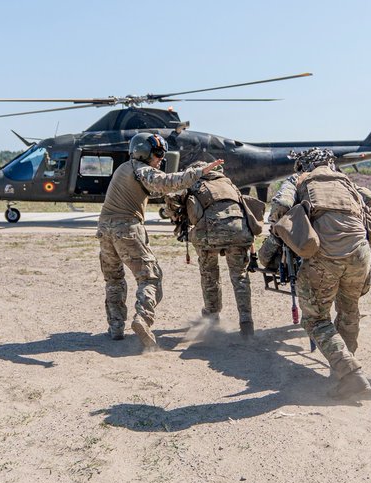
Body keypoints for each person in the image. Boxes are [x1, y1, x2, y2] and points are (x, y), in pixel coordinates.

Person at [270, 147, 371, 399]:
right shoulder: (346, 180)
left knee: (316, 319)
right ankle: (341, 370)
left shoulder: (299, 179)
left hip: (326, 256)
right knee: (349, 310)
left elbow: (281, 205)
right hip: (361, 254)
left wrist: (278, 227)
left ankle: (350, 374)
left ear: (303, 164)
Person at [97, 132, 222, 349]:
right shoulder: (142, 169)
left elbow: (153, 190)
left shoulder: (124, 169)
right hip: (126, 229)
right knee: (151, 278)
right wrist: (199, 172)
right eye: (158, 153)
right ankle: (143, 319)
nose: (161, 159)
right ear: (144, 153)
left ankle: (116, 328)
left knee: (114, 280)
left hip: (104, 230)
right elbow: (165, 182)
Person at [172, 161, 258, 337]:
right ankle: (246, 321)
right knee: (240, 276)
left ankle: (212, 316)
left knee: (210, 274)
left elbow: (172, 198)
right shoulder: (228, 183)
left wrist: (175, 214)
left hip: (208, 234)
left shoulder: (194, 183)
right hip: (239, 233)